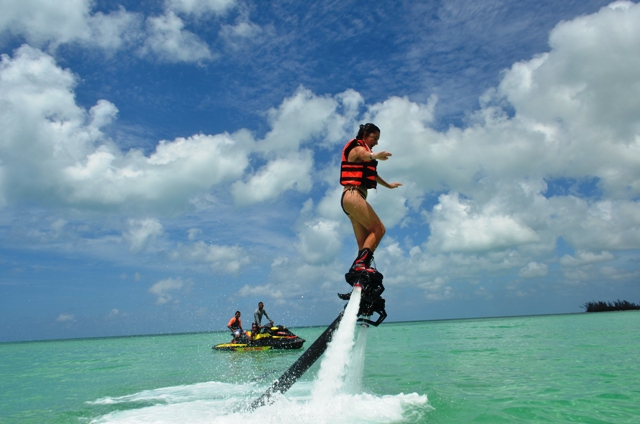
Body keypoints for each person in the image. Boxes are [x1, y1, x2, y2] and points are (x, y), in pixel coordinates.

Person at [340, 123, 402, 274]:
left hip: (350, 200)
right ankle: (360, 266)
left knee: (364, 246)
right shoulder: (357, 148)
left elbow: (372, 175)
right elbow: (363, 154)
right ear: (365, 135)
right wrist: (375, 155)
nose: (376, 142)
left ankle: (358, 277)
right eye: (375, 138)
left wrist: (388, 185)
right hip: (353, 196)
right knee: (379, 229)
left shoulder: (365, 152)